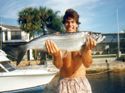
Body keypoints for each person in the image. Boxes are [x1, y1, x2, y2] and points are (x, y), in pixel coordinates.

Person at [45, 8, 96, 93]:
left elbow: (87, 64)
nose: (70, 24)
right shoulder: (58, 39)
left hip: (81, 84)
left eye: (72, 22)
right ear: (64, 24)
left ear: (77, 24)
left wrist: (86, 50)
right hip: (64, 84)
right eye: (67, 22)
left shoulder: (84, 39)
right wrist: (56, 54)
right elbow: (58, 65)